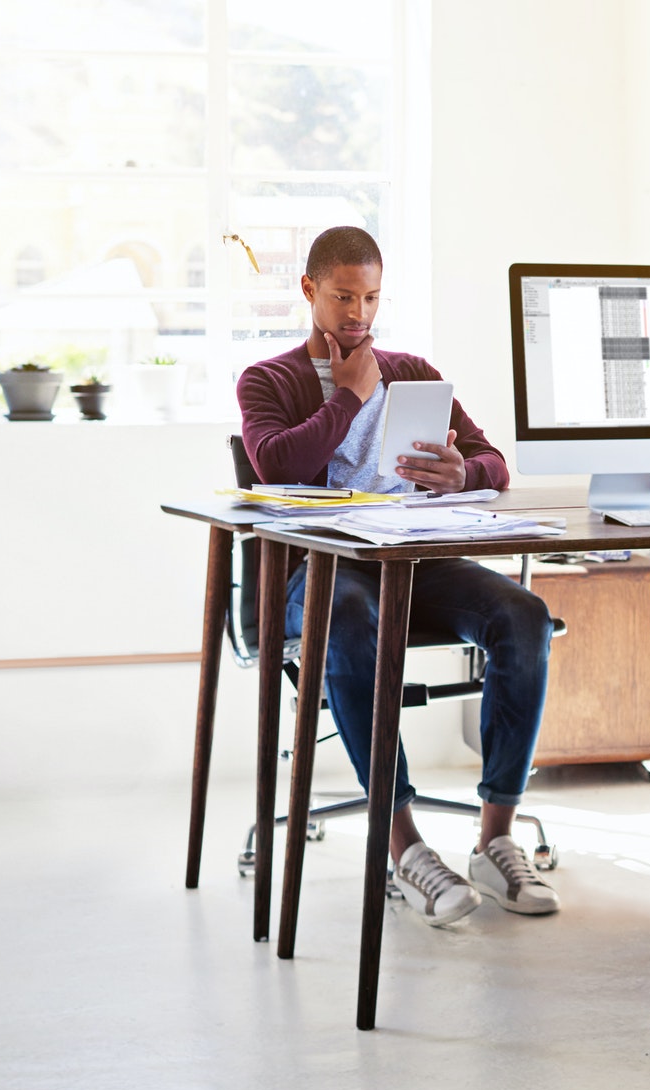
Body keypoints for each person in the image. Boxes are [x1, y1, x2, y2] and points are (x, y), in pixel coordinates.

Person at [237, 226, 559, 926]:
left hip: (413, 563)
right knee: (349, 621)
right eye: (344, 296)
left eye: (371, 297)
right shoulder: (268, 379)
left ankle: (496, 837)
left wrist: (462, 471)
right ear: (310, 291)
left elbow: (493, 460)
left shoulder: (411, 371)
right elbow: (276, 466)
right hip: (317, 574)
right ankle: (404, 845)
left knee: (523, 616)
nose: (359, 314)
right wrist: (347, 397)